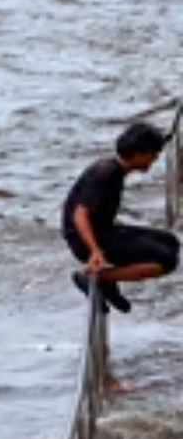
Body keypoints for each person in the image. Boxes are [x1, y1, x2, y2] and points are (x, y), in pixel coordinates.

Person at [62, 120, 178, 314]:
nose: (155, 159)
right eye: (153, 154)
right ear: (139, 153)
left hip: (103, 230)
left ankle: (109, 282)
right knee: (166, 261)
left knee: (171, 242)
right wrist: (94, 251)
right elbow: (79, 215)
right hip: (84, 239)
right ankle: (100, 278)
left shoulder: (116, 168)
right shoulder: (105, 173)